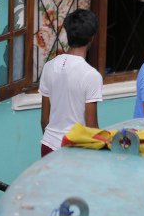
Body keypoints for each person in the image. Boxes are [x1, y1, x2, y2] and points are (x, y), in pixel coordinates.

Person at [39, 9, 103, 157]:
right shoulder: (91, 75)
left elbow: (44, 120)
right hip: (75, 151)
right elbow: (91, 128)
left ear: (67, 34)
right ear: (92, 38)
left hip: (48, 145)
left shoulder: (49, 67)